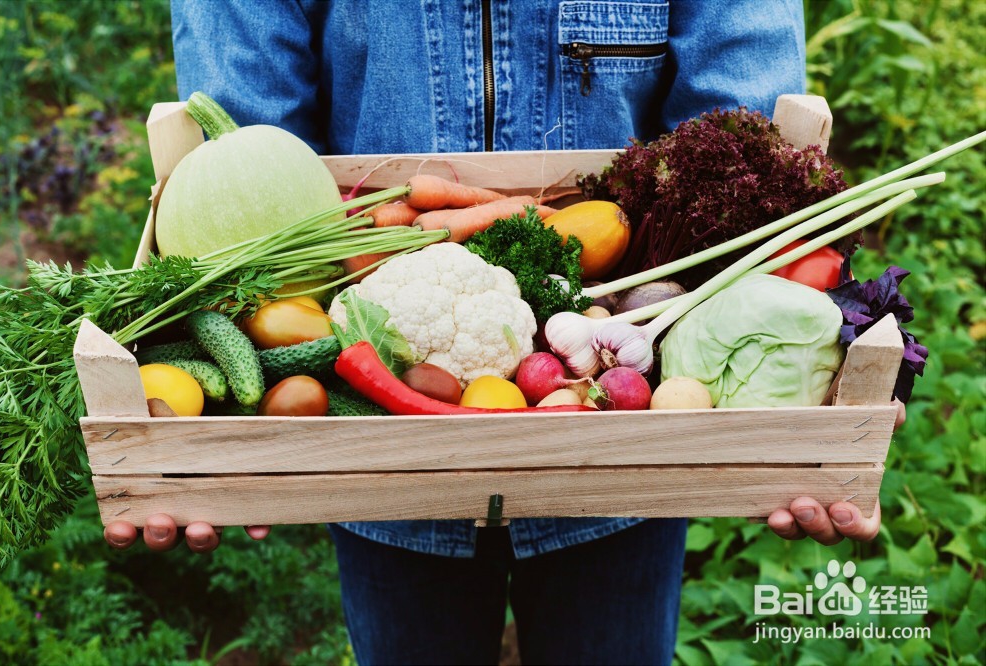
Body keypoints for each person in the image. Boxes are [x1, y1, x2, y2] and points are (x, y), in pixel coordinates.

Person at [107, 2, 906, 663]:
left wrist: (802, 423)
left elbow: (740, 137)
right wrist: (213, 447)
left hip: (628, 446)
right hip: (377, 460)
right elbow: (246, 151)